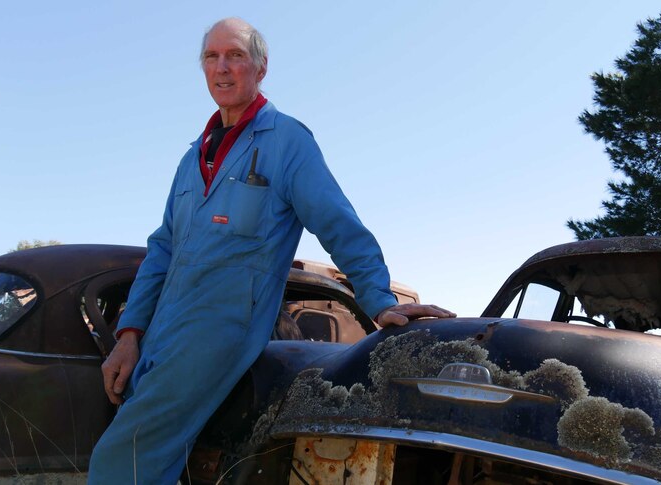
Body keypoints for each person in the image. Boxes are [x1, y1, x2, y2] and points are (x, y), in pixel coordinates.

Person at [88, 17, 455, 484]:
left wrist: (380, 300)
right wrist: (129, 334)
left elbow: (336, 221)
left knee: (121, 462)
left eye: (236, 55)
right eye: (211, 57)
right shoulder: (192, 157)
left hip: (219, 333)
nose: (223, 67)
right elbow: (161, 248)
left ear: (260, 68)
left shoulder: (287, 141)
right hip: (162, 334)